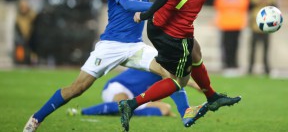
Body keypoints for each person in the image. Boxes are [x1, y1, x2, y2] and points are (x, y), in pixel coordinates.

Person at [23, 0, 205, 132]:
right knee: (77, 88)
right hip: (111, 45)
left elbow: (147, 10)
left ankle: (185, 113)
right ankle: (36, 118)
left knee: (169, 71)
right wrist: (159, 7)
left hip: (135, 45)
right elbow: (127, 4)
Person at [119, 0, 241, 132]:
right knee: (179, 81)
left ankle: (212, 96)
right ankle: (131, 104)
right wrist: (145, 13)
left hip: (157, 26)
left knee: (196, 51)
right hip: (176, 35)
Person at [67, 68, 203, 118]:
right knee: (123, 102)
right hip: (118, 88)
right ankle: (81, 112)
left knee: (165, 109)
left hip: (136, 99)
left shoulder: (166, 78)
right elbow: (173, 78)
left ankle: (123, 111)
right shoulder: (157, 63)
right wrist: (194, 84)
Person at [213, 0, 250, 75]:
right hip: (237, 24)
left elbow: (217, 7)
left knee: (226, 46)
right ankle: (233, 64)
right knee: (235, 45)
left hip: (225, 24)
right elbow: (245, 7)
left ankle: (227, 64)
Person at [248, 0, 276, 75]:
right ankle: (250, 68)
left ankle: (266, 68)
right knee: (253, 49)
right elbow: (250, 5)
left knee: (266, 49)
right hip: (255, 26)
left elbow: (275, 7)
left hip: (266, 27)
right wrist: (260, 2)